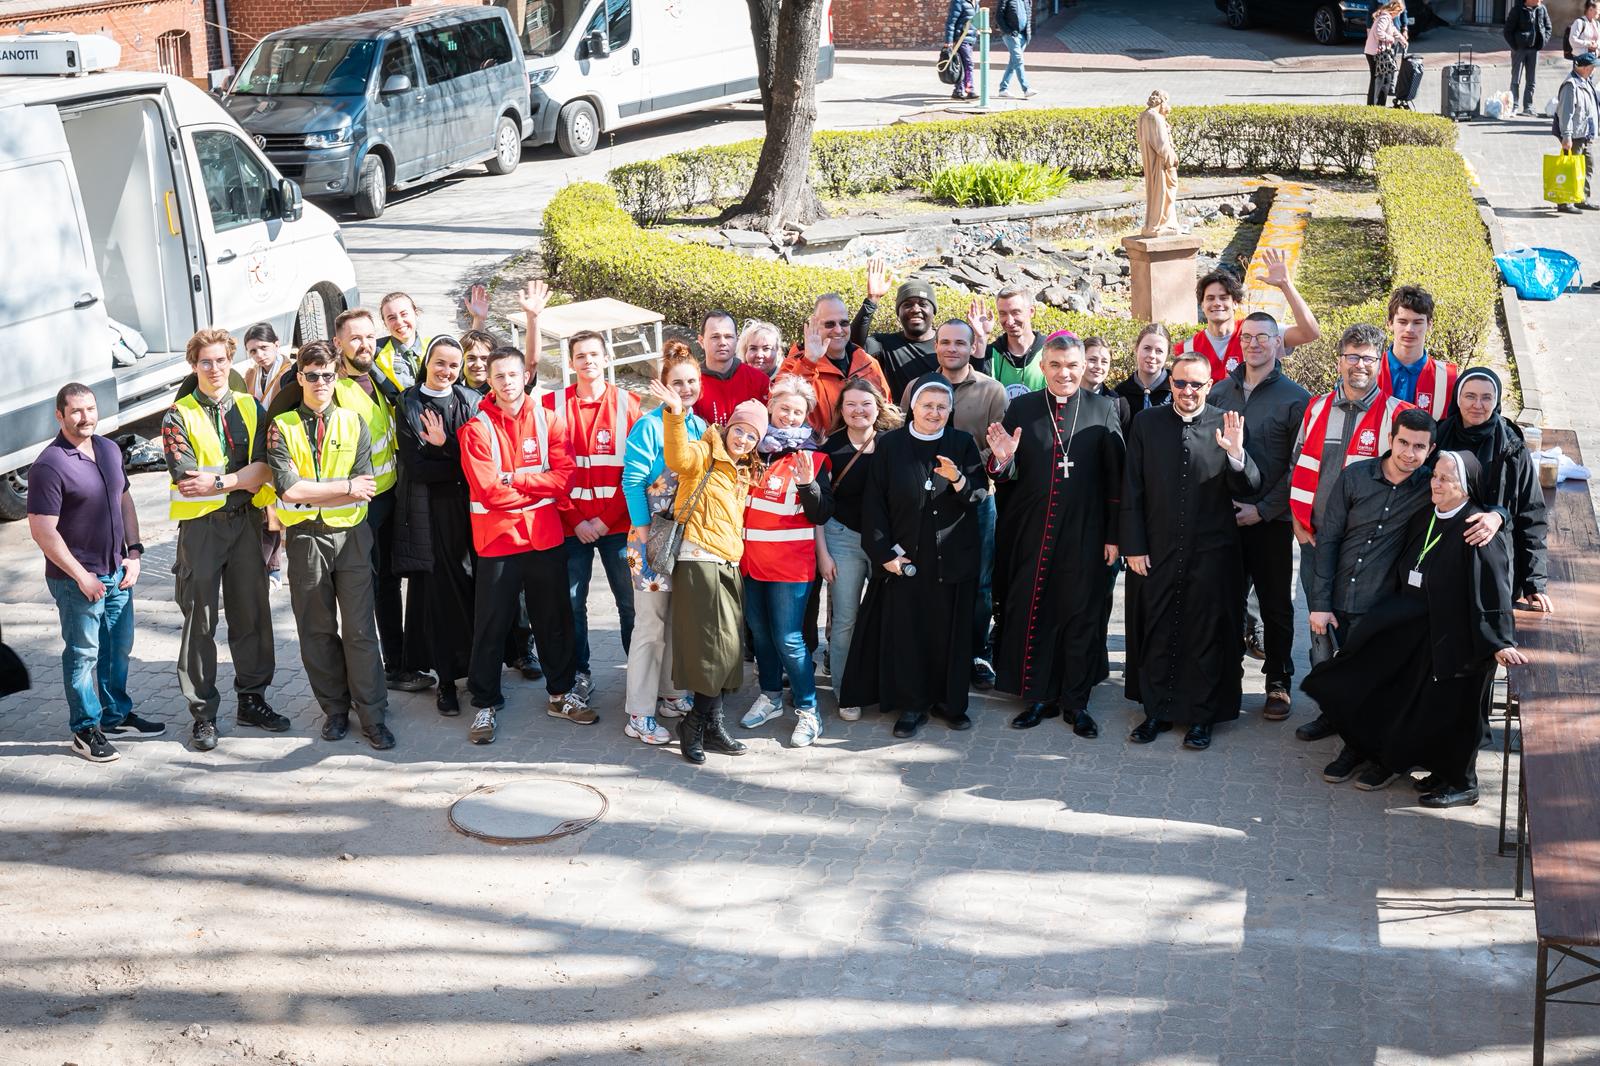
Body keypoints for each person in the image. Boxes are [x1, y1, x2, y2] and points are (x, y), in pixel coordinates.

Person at [1303, 450, 1525, 809]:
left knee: (1458, 712)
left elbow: (1493, 588)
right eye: (1435, 476)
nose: (1435, 484)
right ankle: (1437, 772)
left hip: (1461, 635)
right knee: (1421, 703)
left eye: (1446, 479)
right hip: (1419, 625)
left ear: (1466, 487)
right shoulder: (1426, 515)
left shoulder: (1477, 528)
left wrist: (1500, 640)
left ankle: (1464, 784)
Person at [1121, 352, 1262, 751]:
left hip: (1211, 553)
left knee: (1205, 635)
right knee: (1158, 630)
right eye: (1180, 382)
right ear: (1170, 383)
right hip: (1158, 548)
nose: (1187, 391)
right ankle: (1157, 711)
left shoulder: (1228, 423)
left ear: (1209, 385)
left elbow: (1250, 487)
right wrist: (1134, 545)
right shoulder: (1147, 423)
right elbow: (1132, 487)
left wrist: (1236, 455)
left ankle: (1202, 717)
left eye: (1196, 384)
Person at [988, 335, 1124, 737]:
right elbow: (1002, 473)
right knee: (1035, 611)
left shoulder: (1103, 408)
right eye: (1056, 365)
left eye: (1073, 365)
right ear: (1043, 367)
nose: (1065, 373)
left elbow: (1117, 480)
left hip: (1087, 532)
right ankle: (1038, 696)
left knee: (1081, 615)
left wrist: (1114, 535)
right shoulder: (1022, 408)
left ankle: (1076, 702)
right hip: (1032, 531)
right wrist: (1002, 460)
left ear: (1084, 367)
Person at [839, 378, 987, 738]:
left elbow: (978, 496)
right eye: (927, 405)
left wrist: (957, 479)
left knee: (949, 634)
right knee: (909, 633)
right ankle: (912, 705)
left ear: (950, 410)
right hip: (906, 559)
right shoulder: (890, 445)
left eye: (941, 407)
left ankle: (951, 703)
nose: (934, 413)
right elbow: (874, 503)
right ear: (914, 408)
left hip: (952, 557)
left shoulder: (962, 443)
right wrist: (884, 552)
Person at [1288, 324, 1416, 741]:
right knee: (1320, 628)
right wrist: (1297, 522)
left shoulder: (1397, 415)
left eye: (1368, 358)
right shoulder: (1316, 408)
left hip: (1370, 549)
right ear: (1339, 360)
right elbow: (1297, 466)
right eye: (1352, 356)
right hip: (1316, 541)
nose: (1359, 364)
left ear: (1380, 364)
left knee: (1364, 636)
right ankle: (1330, 713)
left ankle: (1364, 718)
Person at [265, 342, 395, 750]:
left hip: (351, 536)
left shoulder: (354, 423)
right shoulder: (282, 426)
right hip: (305, 538)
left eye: (327, 374)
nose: (320, 381)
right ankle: (335, 710)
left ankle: (372, 714)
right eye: (312, 375)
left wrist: (318, 490)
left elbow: (365, 487)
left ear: (336, 376)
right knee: (316, 630)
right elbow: (288, 490)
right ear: (300, 377)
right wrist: (342, 488)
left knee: (360, 630)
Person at [161, 328, 285, 752]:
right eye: (205, 362)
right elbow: (188, 479)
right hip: (202, 529)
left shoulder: (251, 407)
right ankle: (203, 715)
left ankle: (252, 700)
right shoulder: (177, 415)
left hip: (246, 523)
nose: (214, 368)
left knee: (252, 615)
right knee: (200, 621)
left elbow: (266, 467)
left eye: (220, 360)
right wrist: (242, 478)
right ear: (193, 365)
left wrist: (224, 481)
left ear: (231, 362)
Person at [459, 347, 589, 744]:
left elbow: (564, 478)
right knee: (492, 624)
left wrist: (516, 480)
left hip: (544, 538)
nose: (506, 382)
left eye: (512, 374)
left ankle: (561, 694)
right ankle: (485, 704)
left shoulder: (550, 420)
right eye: (498, 376)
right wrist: (538, 488)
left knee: (553, 619)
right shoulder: (476, 429)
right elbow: (488, 491)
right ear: (489, 381)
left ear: (525, 376)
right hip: (498, 540)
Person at [28, 383, 155, 762]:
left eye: (90, 409)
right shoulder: (49, 465)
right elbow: (42, 531)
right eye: (76, 411)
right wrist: (81, 576)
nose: (85, 418)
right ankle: (85, 729)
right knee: (83, 654)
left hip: (118, 572)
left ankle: (115, 715)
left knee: (118, 647)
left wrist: (134, 552)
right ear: (60, 415)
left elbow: (124, 499)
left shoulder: (109, 449)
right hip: (76, 581)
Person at [652, 382, 766, 764]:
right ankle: (695, 724)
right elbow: (678, 457)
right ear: (728, 426)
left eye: (752, 435)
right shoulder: (704, 452)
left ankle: (712, 725)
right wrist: (675, 414)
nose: (743, 439)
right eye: (740, 430)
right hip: (699, 560)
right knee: (709, 650)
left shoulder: (743, 471)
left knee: (728, 651)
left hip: (728, 563)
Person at [1209, 312, 1311, 723]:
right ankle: (1226, 676)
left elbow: (1298, 466)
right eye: (1247, 336)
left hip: (1272, 521)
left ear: (1277, 343)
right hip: (1226, 519)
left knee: (1275, 606)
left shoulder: (1296, 398)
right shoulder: (1219, 392)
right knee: (1226, 601)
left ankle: (1278, 681)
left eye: (1263, 337)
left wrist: (1264, 509)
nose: (1254, 344)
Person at [325, 308, 432, 693]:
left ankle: (396, 666)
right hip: (355, 506)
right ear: (338, 343)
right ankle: (359, 679)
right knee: (359, 593)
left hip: (388, 497)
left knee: (387, 586)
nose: (364, 344)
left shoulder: (378, 375)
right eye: (354, 338)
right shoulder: (333, 388)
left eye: (369, 336)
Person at [901, 320, 1010, 690]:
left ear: (972, 346)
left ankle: (976, 652)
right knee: (929, 576)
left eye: (960, 343)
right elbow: (904, 437)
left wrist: (962, 468)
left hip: (976, 500)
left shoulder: (992, 391)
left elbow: (998, 445)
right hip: (925, 500)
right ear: (936, 346)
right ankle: (935, 652)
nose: (951, 348)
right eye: (945, 342)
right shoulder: (917, 387)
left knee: (979, 581)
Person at [542, 330, 643, 702]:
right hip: (571, 526)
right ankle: (579, 674)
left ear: (606, 358)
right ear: (571, 363)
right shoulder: (551, 405)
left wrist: (603, 520)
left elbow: (636, 472)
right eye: (580, 356)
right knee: (571, 604)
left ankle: (641, 676)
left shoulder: (629, 404)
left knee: (631, 604)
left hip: (617, 525)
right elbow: (547, 469)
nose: (588, 361)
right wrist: (576, 520)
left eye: (594, 354)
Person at [738, 375, 834, 747]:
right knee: (760, 634)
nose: (790, 417)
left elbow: (821, 513)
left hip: (790, 567)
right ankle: (770, 697)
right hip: (751, 562)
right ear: (771, 407)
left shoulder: (813, 457)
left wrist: (809, 485)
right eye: (784, 409)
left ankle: (809, 710)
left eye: (797, 411)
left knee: (789, 639)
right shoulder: (751, 451)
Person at [620, 340, 706, 746]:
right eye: (678, 383)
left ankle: (671, 693)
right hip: (651, 537)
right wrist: (643, 533)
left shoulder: (699, 426)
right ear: (663, 386)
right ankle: (639, 713)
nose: (686, 389)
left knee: (675, 621)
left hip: (685, 537)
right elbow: (632, 481)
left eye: (691, 382)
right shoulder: (649, 425)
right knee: (650, 626)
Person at [393, 337, 481, 716]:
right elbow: (417, 469)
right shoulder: (408, 403)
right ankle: (446, 680)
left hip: (471, 515)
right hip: (430, 515)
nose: (446, 371)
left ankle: (477, 673)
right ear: (426, 362)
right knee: (439, 600)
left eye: (453, 365)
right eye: (439, 363)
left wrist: (444, 446)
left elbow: (480, 460)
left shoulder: (470, 401)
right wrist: (458, 463)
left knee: (474, 592)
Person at [816, 377, 902, 724]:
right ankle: (845, 690)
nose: (858, 411)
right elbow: (819, 508)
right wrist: (823, 553)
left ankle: (884, 686)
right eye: (850, 404)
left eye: (865, 404)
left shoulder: (893, 444)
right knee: (845, 619)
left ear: (878, 407)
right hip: (843, 538)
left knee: (887, 617)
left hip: (885, 543)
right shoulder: (829, 448)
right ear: (841, 409)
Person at [1435, 368, 1552, 612]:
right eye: (1470, 396)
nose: (1477, 405)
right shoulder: (1438, 436)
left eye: (1486, 397)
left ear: (1496, 401)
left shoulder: (1512, 447)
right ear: (1457, 398)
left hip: (1493, 556)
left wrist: (1534, 582)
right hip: (1441, 549)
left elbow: (1531, 513)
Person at [1174, 250, 1320, 383]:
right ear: (1202, 305)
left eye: (1224, 298)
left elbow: (1310, 333)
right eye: (1210, 298)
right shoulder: (1188, 348)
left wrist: (1286, 285)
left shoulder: (1258, 331)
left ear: (1235, 303)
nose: (1217, 303)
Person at [777, 293, 890, 437]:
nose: (838, 330)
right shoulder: (795, 363)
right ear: (814, 326)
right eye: (829, 324)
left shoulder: (869, 363)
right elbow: (780, 407)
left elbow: (886, 409)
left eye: (844, 323)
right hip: (818, 448)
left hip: (866, 446)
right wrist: (809, 361)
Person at [242, 322, 290, 587]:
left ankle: (272, 569)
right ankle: (270, 568)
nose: (259, 355)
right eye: (253, 351)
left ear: (276, 344)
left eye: (263, 348)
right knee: (265, 505)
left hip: (283, 444)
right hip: (259, 445)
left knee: (274, 508)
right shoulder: (251, 374)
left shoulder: (289, 372)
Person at [851, 259, 940, 399]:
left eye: (923, 304)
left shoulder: (946, 345)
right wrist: (871, 300)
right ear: (898, 313)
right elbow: (853, 345)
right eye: (907, 305)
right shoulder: (884, 344)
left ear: (933, 311)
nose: (915, 309)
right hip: (898, 413)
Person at [1378, 285, 1458, 418]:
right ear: (1390, 324)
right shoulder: (1370, 370)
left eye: (1418, 322)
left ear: (1429, 325)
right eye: (1402, 322)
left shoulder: (1448, 378)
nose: (1409, 329)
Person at [694, 309, 771, 426]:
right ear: (701, 341)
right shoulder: (691, 382)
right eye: (715, 337)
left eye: (728, 336)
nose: (722, 342)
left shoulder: (760, 381)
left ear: (737, 340)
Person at [971, 288, 1044, 399]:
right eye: (1003, 314)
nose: (1009, 321)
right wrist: (981, 338)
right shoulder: (991, 354)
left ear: (1031, 312)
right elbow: (975, 392)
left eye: (1016, 312)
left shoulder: (1049, 352)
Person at [1553, 51, 1599, 215]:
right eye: (1593, 66)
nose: (1594, 69)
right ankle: (1564, 202)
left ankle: (1581, 198)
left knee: (1588, 167)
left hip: (1586, 134)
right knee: (1570, 169)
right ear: (1585, 68)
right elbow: (1566, 113)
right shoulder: (1571, 85)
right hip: (1575, 136)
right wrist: (1567, 136)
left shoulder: (1586, 82)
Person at [1137, 90, 1182, 237]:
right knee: (1166, 191)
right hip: (1161, 163)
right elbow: (1161, 145)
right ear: (1161, 102)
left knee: (1157, 192)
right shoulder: (1155, 117)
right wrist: (1173, 158)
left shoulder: (1143, 116)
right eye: (1166, 101)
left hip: (1151, 160)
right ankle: (1162, 223)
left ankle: (1157, 223)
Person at [374, 291, 434, 390]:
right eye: (391, 318)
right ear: (385, 323)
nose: (399, 321)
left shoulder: (434, 347)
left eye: (404, 314)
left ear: (415, 313)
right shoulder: (375, 352)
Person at [1113, 324, 1174, 419]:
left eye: (1159, 351)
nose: (1152, 355)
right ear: (1136, 348)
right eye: (1147, 348)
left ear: (1167, 354)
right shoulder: (1120, 394)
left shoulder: (1178, 391)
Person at [1506, 0, 1554, 117]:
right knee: (1515, 80)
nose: (1540, 0)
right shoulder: (1517, 10)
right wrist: (1515, 46)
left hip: (1534, 50)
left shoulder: (1542, 9)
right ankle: (1513, 106)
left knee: (1531, 81)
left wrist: (1542, 43)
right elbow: (1508, 31)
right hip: (1519, 50)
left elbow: (1548, 27)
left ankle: (1528, 106)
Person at [1081, 336, 1132, 429]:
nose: (1098, 366)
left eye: (1104, 362)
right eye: (1092, 360)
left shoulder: (1119, 405)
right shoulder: (1065, 397)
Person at [1364, 0, 1407, 107]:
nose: (1399, 15)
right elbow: (1379, 32)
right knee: (1377, 79)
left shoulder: (1388, 18)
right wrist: (1390, 39)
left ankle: (1381, 105)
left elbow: (1393, 30)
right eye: (1399, 12)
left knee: (1387, 79)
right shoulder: (1385, 17)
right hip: (1375, 53)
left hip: (1381, 53)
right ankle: (1372, 106)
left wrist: (1403, 40)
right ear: (1395, 10)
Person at [996, 0, 1036, 99]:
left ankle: (1003, 89)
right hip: (1011, 35)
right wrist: (1008, 31)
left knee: (1013, 63)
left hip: (1023, 36)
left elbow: (1029, 15)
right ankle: (1026, 89)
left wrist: (1027, 35)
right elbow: (999, 16)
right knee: (1018, 60)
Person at [944, 0, 978, 101]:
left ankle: (958, 91)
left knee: (962, 65)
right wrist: (949, 40)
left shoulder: (975, 2)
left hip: (970, 38)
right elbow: (951, 22)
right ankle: (969, 89)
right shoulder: (958, 2)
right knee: (968, 64)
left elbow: (974, 19)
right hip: (960, 38)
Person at [460, 329, 498, 394]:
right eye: (471, 358)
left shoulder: (503, 395)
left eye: (485, 358)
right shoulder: (451, 393)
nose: (478, 365)